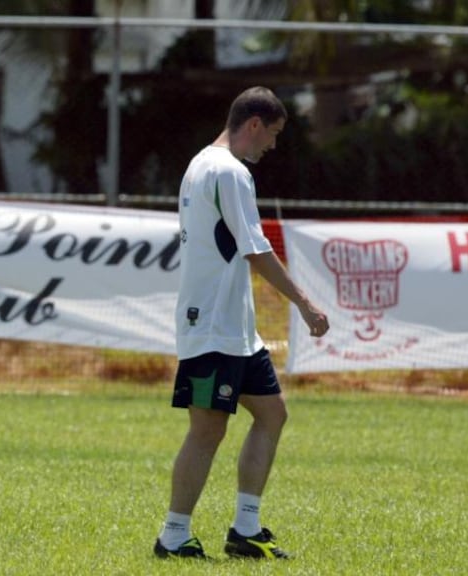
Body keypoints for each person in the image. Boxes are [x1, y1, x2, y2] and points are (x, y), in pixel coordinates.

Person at [153, 87, 329, 559]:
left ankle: (245, 530)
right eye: (272, 135)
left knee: (272, 414)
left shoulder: (200, 163)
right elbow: (255, 249)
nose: (271, 146)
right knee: (207, 430)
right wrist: (305, 303)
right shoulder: (230, 172)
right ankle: (173, 536)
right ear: (254, 124)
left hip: (235, 330)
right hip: (212, 325)